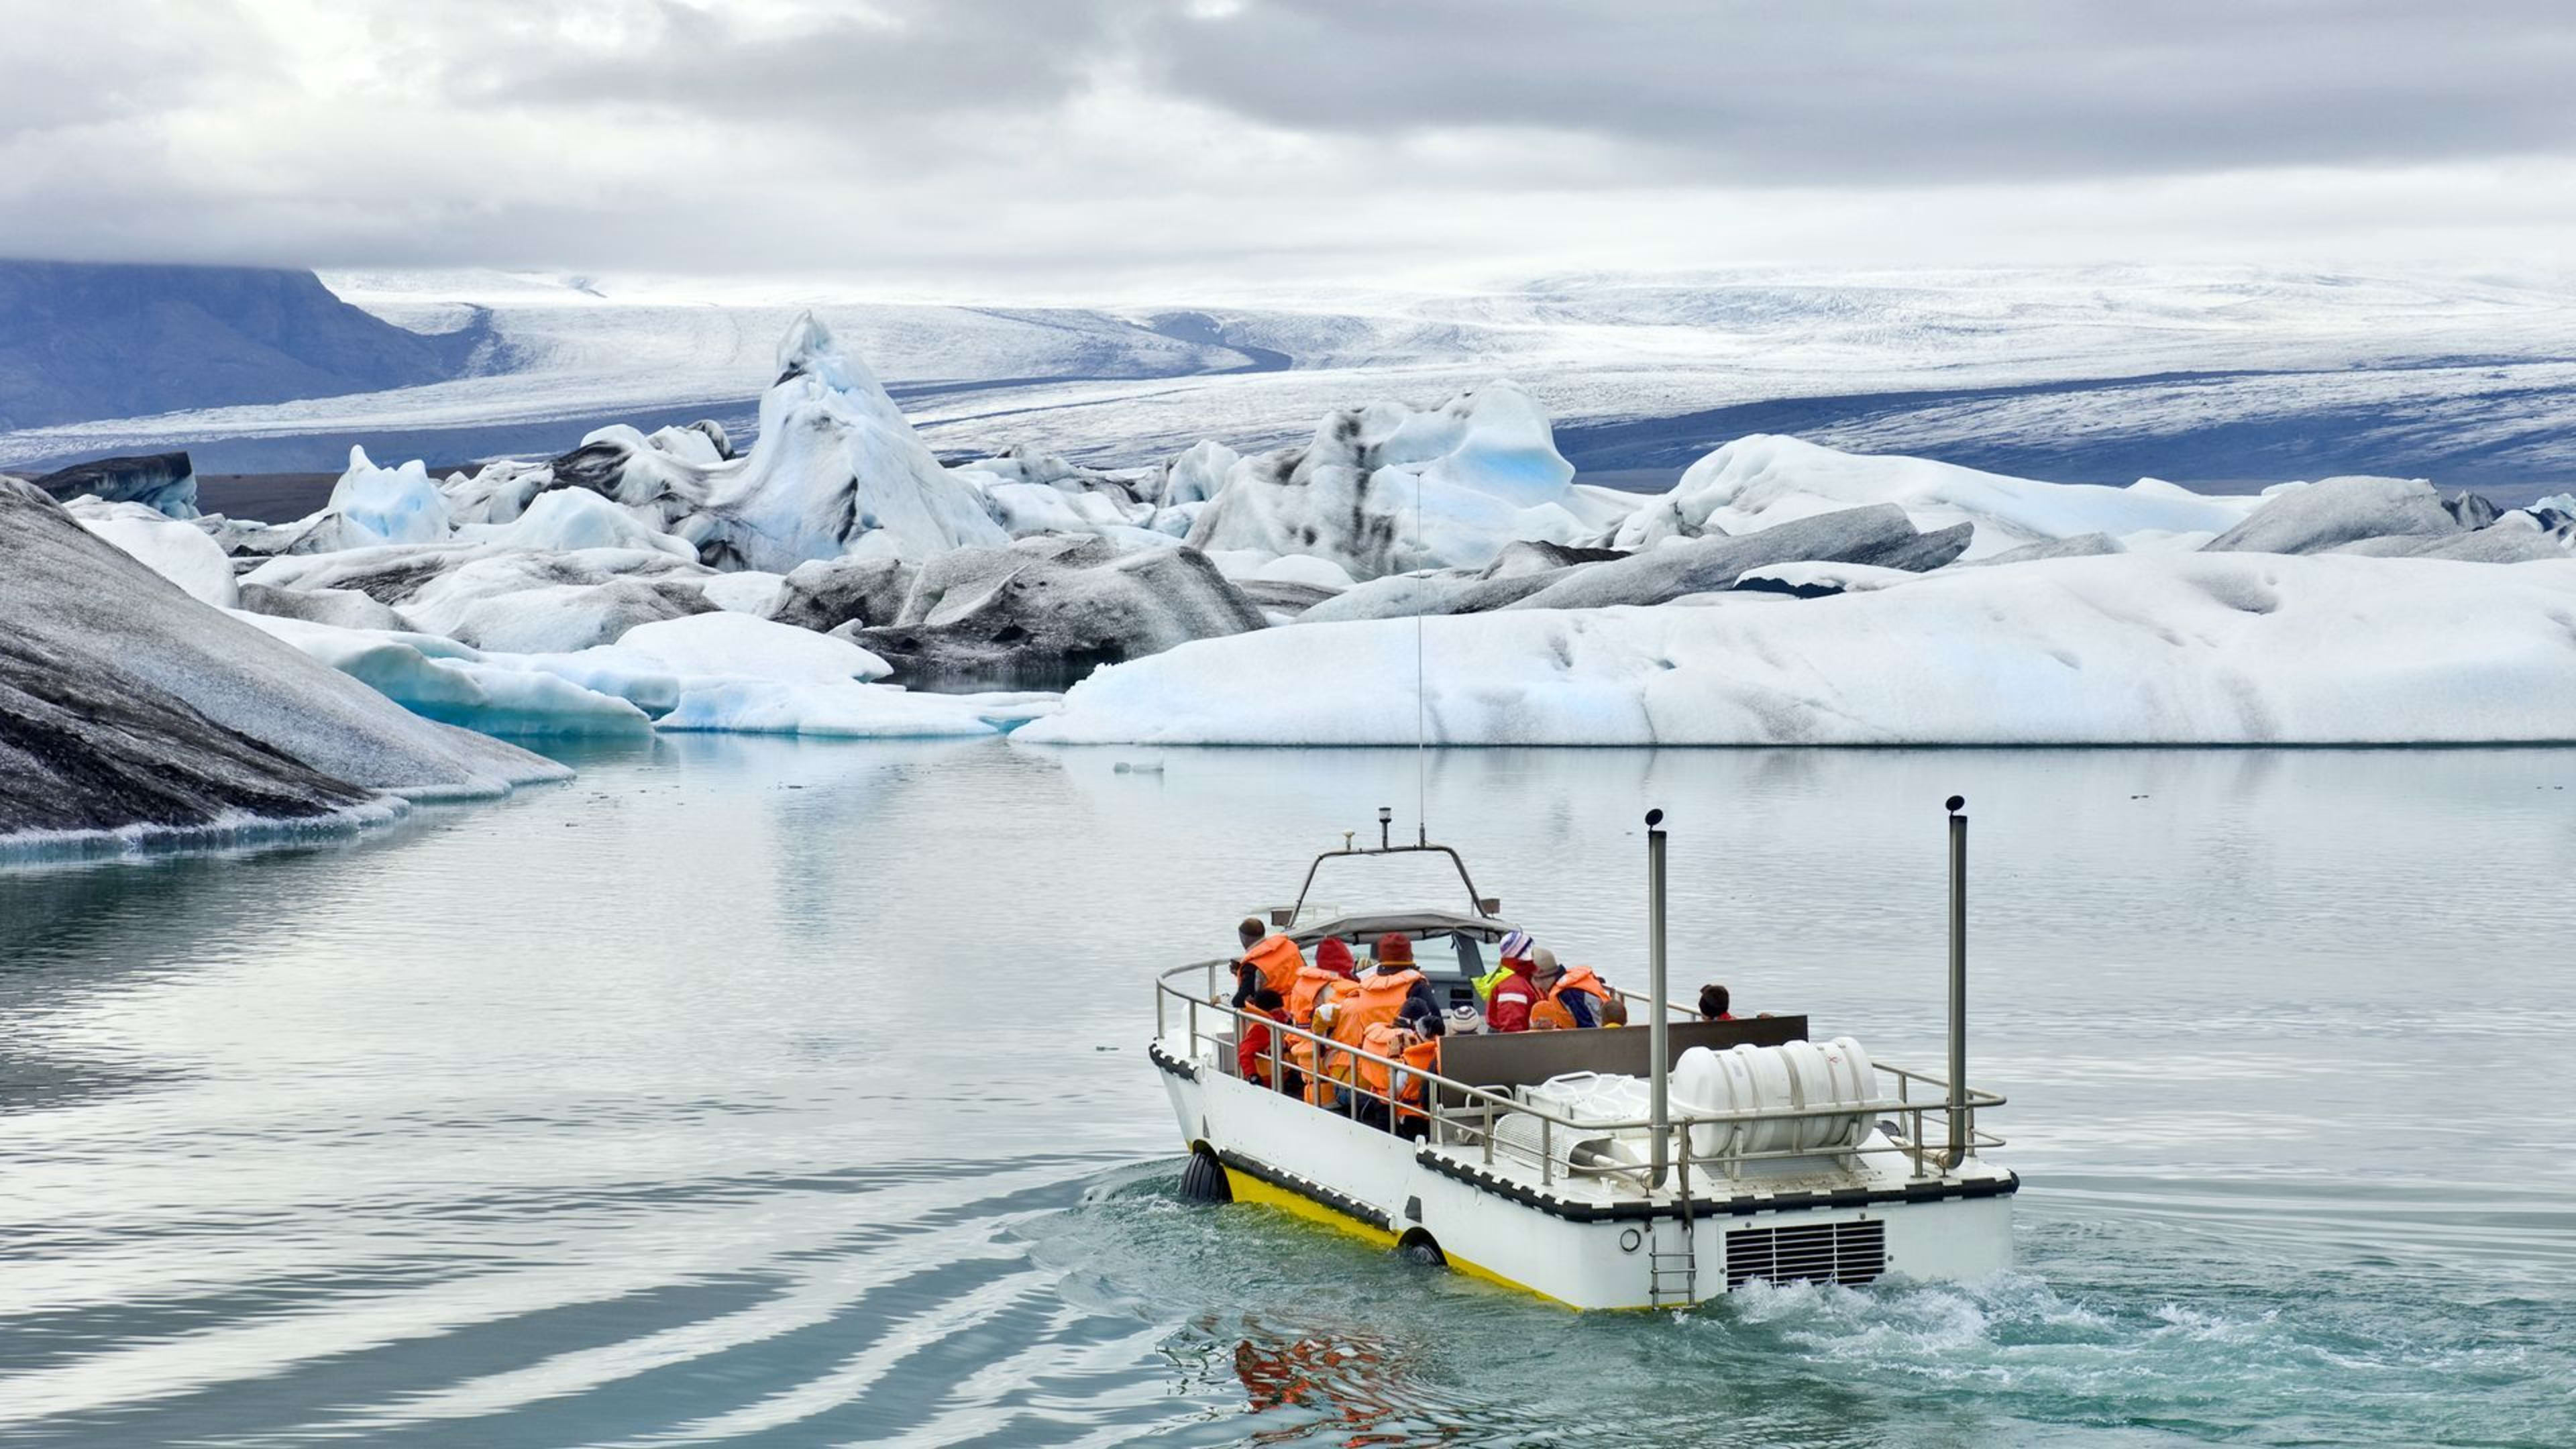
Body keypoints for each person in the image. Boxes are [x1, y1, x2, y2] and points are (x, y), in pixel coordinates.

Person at [1286, 938, 1357, 1102]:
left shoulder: (1303, 982)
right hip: (1324, 1049)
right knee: (1326, 1086)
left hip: (1302, 1044)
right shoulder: (1334, 988)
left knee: (1313, 1083)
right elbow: (1347, 1017)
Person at [1232, 924, 1305, 1009]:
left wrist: (1220, 1001)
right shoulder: (1290, 945)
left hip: (1275, 1014)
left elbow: (1239, 1001)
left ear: (1242, 938)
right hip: (1299, 1004)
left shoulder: (1253, 966)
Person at [1485, 930, 1540, 1033]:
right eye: (1530, 949)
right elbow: (1511, 1028)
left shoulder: (1520, 976)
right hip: (1514, 1042)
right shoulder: (1513, 986)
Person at [1238, 986, 1286, 1086]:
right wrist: (1252, 1075)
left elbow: (1244, 1053)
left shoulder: (1269, 1024)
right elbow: (1245, 1054)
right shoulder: (1260, 1028)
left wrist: (1251, 1075)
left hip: (1279, 1077)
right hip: (1270, 1080)